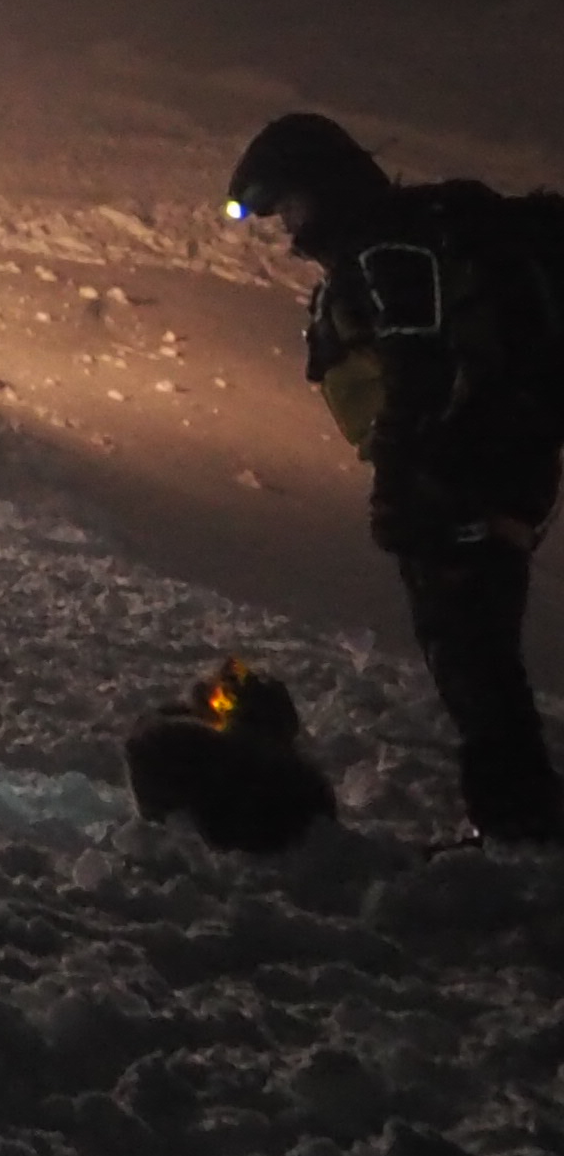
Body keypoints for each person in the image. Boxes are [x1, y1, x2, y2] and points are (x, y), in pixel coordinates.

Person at [224, 111, 564, 841]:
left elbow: (421, 372)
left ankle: (518, 821)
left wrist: (404, 476)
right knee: (470, 647)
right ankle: (516, 813)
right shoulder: (391, 245)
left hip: (470, 470)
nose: (288, 228)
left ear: (326, 188)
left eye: (291, 206)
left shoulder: (390, 251)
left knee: (471, 647)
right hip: (486, 462)